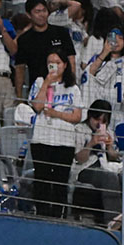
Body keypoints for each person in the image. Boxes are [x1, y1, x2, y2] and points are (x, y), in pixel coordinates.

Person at [28, 51, 84, 218]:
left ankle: (58, 215)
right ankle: (42, 213)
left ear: (65, 65)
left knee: (60, 181)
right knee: (42, 180)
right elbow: (37, 107)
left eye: (57, 62)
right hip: (42, 139)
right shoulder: (39, 82)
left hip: (64, 141)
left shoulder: (73, 88)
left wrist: (56, 114)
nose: (53, 66)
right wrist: (47, 82)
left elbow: (77, 116)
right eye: (50, 62)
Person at [14, 0, 76, 100]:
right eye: (37, 12)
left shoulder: (61, 32)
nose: (42, 14)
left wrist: (72, 83)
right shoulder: (24, 39)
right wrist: (20, 97)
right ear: (29, 15)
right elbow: (20, 69)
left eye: (44, 10)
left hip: (62, 87)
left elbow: (71, 59)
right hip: (38, 88)